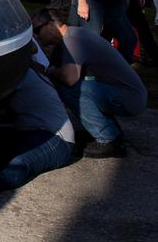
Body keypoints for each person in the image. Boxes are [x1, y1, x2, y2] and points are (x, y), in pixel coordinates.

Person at [0, 13, 75, 196]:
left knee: (21, 163)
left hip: (57, 139)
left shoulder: (19, 76)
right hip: (31, 131)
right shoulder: (22, 71)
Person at [35, 11, 147, 157]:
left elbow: (70, 78)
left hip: (130, 97)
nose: (37, 36)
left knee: (70, 88)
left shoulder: (73, 39)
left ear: (51, 24)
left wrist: (50, 71)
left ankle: (109, 139)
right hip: (124, 93)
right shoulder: (67, 41)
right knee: (74, 85)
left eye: (37, 30)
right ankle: (110, 131)